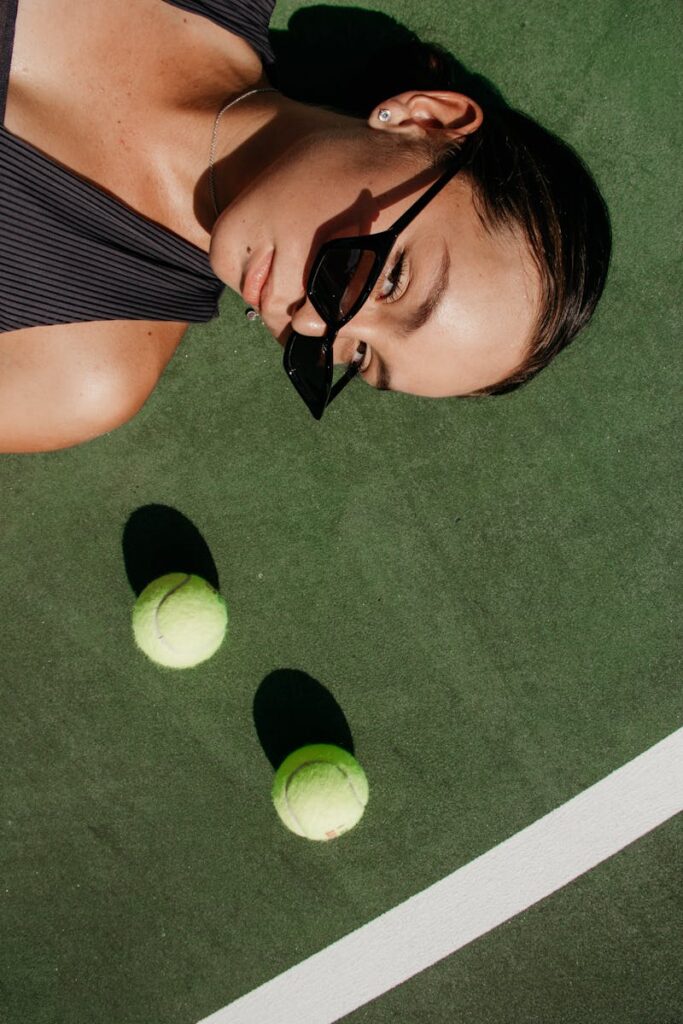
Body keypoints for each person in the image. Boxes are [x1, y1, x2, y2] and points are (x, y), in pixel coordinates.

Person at [0, 0, 610, 451]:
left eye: (359, 354)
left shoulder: (76, 368)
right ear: (425, 120)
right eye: (391, 278)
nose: (312, 323)